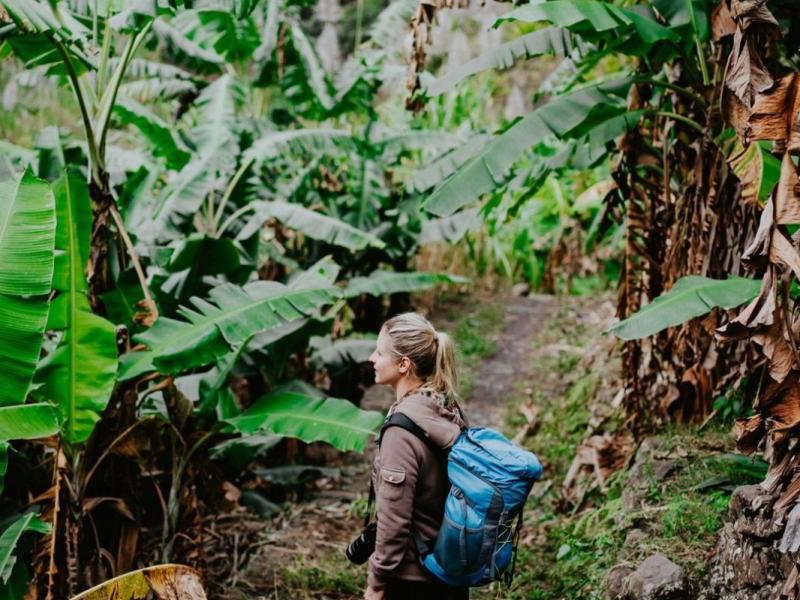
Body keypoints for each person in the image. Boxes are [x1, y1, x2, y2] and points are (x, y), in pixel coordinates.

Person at [364, 313, 470, 600]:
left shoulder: (401, 431)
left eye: (380, 352)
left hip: (413, 579)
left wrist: (376, 583)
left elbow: (394, 520)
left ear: (403, 364)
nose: (372, 358)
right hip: (449, 571)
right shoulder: (446, 408)